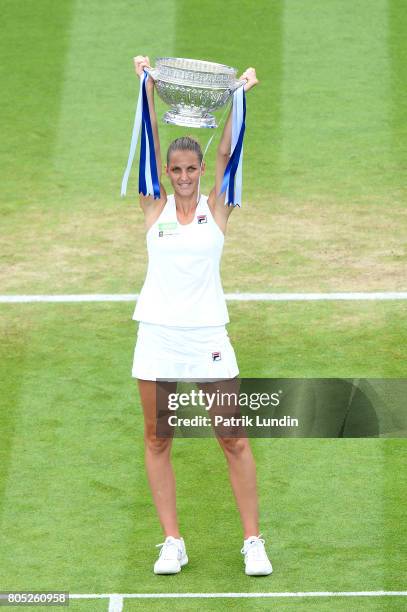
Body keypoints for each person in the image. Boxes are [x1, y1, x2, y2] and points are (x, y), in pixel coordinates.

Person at [130, 55, 272, 576]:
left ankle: (253, 541)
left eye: (192, 170)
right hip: (158, 337)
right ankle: (173, 542)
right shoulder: (154, 208)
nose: (186, 177)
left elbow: (230, 153)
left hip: (209, 335)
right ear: (167, 173)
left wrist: (238, 96)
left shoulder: (220, 207)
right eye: (178, 170)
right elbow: (145, 137)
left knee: (232, 437)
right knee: (157, 438)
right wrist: (145, 84)